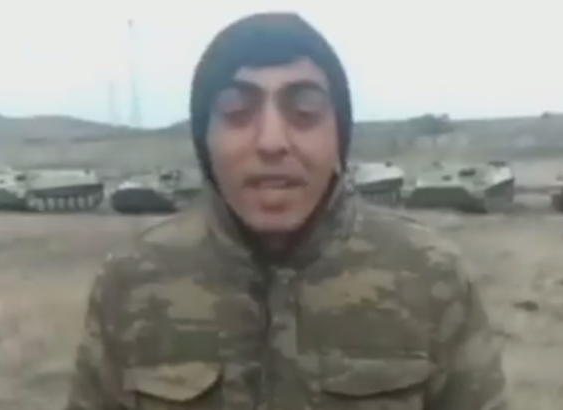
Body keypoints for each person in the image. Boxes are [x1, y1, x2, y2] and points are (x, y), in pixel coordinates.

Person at [64, 11, 508, 410]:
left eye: (305, 111)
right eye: (237, 111)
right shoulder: (131, 282)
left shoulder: (429, 277)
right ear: (205, 143)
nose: (271, 141)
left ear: (339, 139)